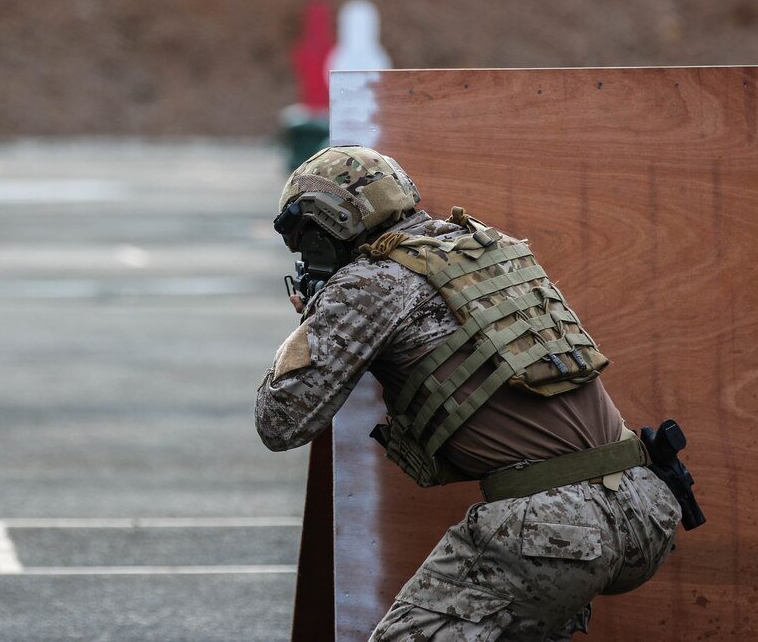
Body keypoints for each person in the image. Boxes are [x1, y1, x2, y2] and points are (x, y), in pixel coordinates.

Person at [255, 145, 683, 641]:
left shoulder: (369, 282)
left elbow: (280, 422)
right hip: (643, 504)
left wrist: (312, 322)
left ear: (327, 227)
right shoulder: (485, 247)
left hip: (551, 531)